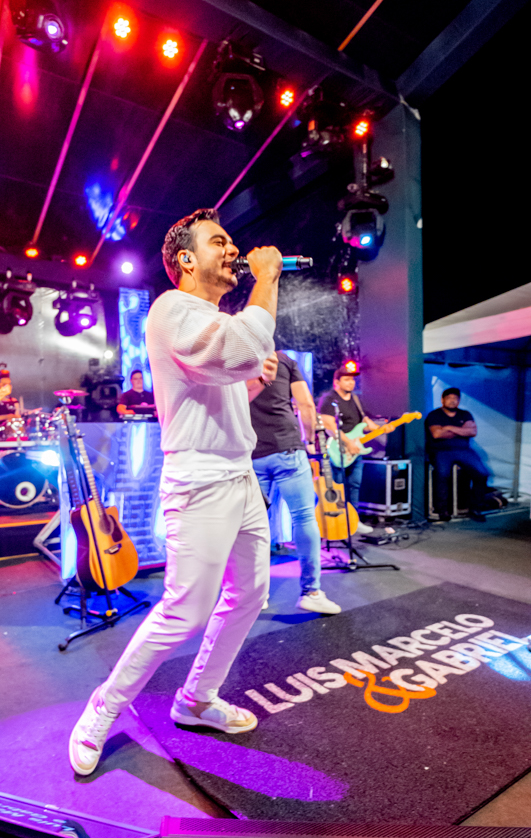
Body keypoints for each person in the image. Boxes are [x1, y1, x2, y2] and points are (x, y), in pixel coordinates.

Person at [69, 208, 280, 777]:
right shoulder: (171, 309)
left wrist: (253, 381)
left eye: (232, 241)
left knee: (250, 594)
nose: (233, 250)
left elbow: (225, 378)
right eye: (219, 241)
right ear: (186, 259)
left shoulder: (212, 319)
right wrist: (267, 278)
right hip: (201, 479)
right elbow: (239, 349)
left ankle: (196, 699)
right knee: (185, 611)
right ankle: (102, 708)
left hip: (240, 475)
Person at [248, 352, 341, 615]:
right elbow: (306, 405)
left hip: (251, 452)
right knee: (304, 517)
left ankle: (255, 595)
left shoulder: (234, 358)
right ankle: (311, 592)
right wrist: (309, 439)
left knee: (254, 526)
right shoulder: (282, 360)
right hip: (287, 448)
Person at [317, 364, 380, 535]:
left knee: (354, 485)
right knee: (337, 486)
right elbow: (329, 426)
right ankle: (336, 522)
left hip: (355, 451)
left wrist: (381, 428)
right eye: (346, 379)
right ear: (336, 382)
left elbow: (364, 422)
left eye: (352, 380)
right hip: (337, 449)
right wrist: (347, 443)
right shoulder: (329, 399)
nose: (351, 382)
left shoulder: (356, 400)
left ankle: (354, 521)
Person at [426, 387, 488, 522]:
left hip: (463, 450)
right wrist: (461, 430)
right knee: (442, 475)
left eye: (455, 398)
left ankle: (475, 508)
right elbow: (437, 434)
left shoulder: (465, 414)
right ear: (442, 400)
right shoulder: (434, 415)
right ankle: (442, 510)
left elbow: (472, 432)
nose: (452, 401)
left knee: (482, 473)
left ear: (459, 401)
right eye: (449, 398)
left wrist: (448, 428)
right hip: (442, 451)